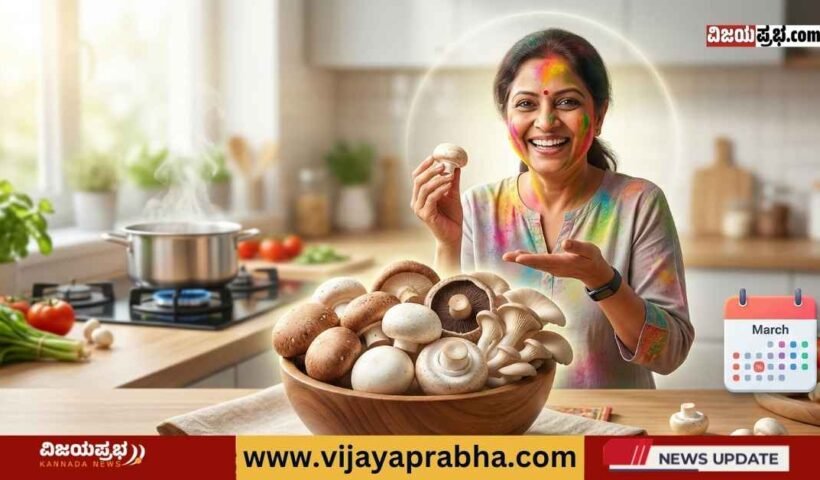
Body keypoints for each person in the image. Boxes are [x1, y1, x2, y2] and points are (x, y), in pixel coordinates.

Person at [411, 29, 693, 388]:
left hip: (612, 428)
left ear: (600, 113)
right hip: (510, 431)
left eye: (567, 102)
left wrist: (603, 282)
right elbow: (447, 355)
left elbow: (669, 354)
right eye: (527, 104)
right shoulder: (478, 208)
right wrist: (447, 243)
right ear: (507, 117)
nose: (546, 122)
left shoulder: (639, 203)